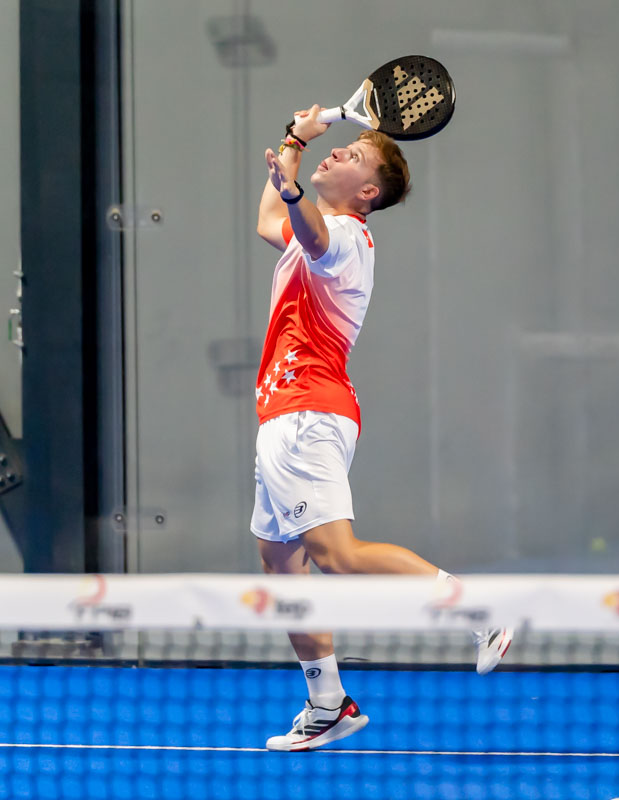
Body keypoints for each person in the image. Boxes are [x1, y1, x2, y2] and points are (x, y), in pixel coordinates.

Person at [252, 105, 513, 752]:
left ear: (368, 192)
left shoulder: (344, 238)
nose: (337, 152)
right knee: (280, 563)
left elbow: (310, 232)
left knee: (338, 556)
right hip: (287, 413)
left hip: (307, 414)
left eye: (353, 155)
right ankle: (328, 704)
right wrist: (294, 140)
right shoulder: (315, 233)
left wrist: (293, 178)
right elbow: (268, 222)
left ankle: (477, 610)